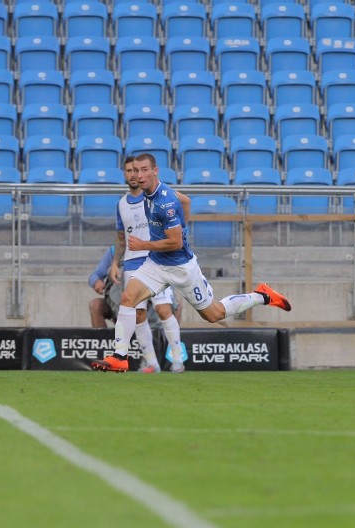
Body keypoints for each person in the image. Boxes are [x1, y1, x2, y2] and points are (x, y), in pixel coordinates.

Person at [92, 153, 292, 373]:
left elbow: (176, 243)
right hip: (156, 264)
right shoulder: (150, 192)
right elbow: (185, 202)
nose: (139, 175)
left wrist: (144, 245)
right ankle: (120, 356)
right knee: (128, 298)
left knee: (213, 314)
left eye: (144, 170)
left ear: (155, 171)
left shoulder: (164, 201)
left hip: (181, 268)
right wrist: (180, 227)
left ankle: (262, 295)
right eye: (136, 170)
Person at [108, 155, 191, 373]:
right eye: (129, 171)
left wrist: (181, 231)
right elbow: (120, 237)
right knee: (138, 313)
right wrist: (116, 262)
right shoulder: (121, 204)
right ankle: (152, 363)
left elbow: (184, 203)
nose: (134, 175)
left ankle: (177, 361)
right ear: (125, 174)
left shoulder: (155, 196)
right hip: (132, 262)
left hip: (156, 258)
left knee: (164, 310)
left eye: (137, 171)